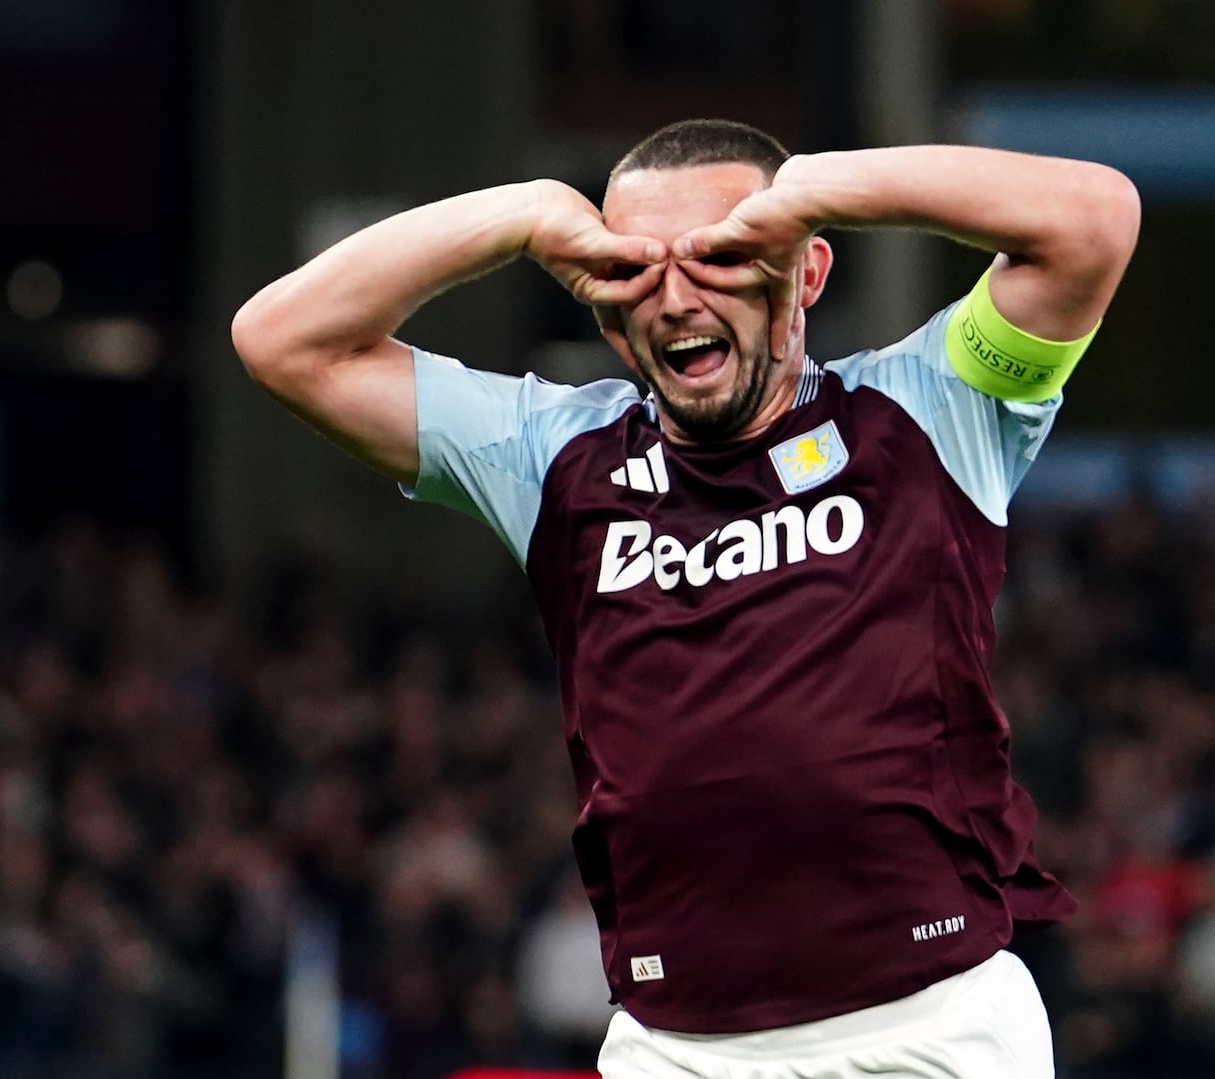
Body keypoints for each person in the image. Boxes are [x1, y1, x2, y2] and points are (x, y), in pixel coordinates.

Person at [232, 119, 1139, 1078]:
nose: (674, 300)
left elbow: (1093, 219)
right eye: (633, 272)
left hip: (932, 1029)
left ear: (807, 271)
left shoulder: (932, 409)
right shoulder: (553, 457)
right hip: (675, 1050)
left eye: (723, 258)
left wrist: (818, 187)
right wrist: (522, 214)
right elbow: (284, 342)